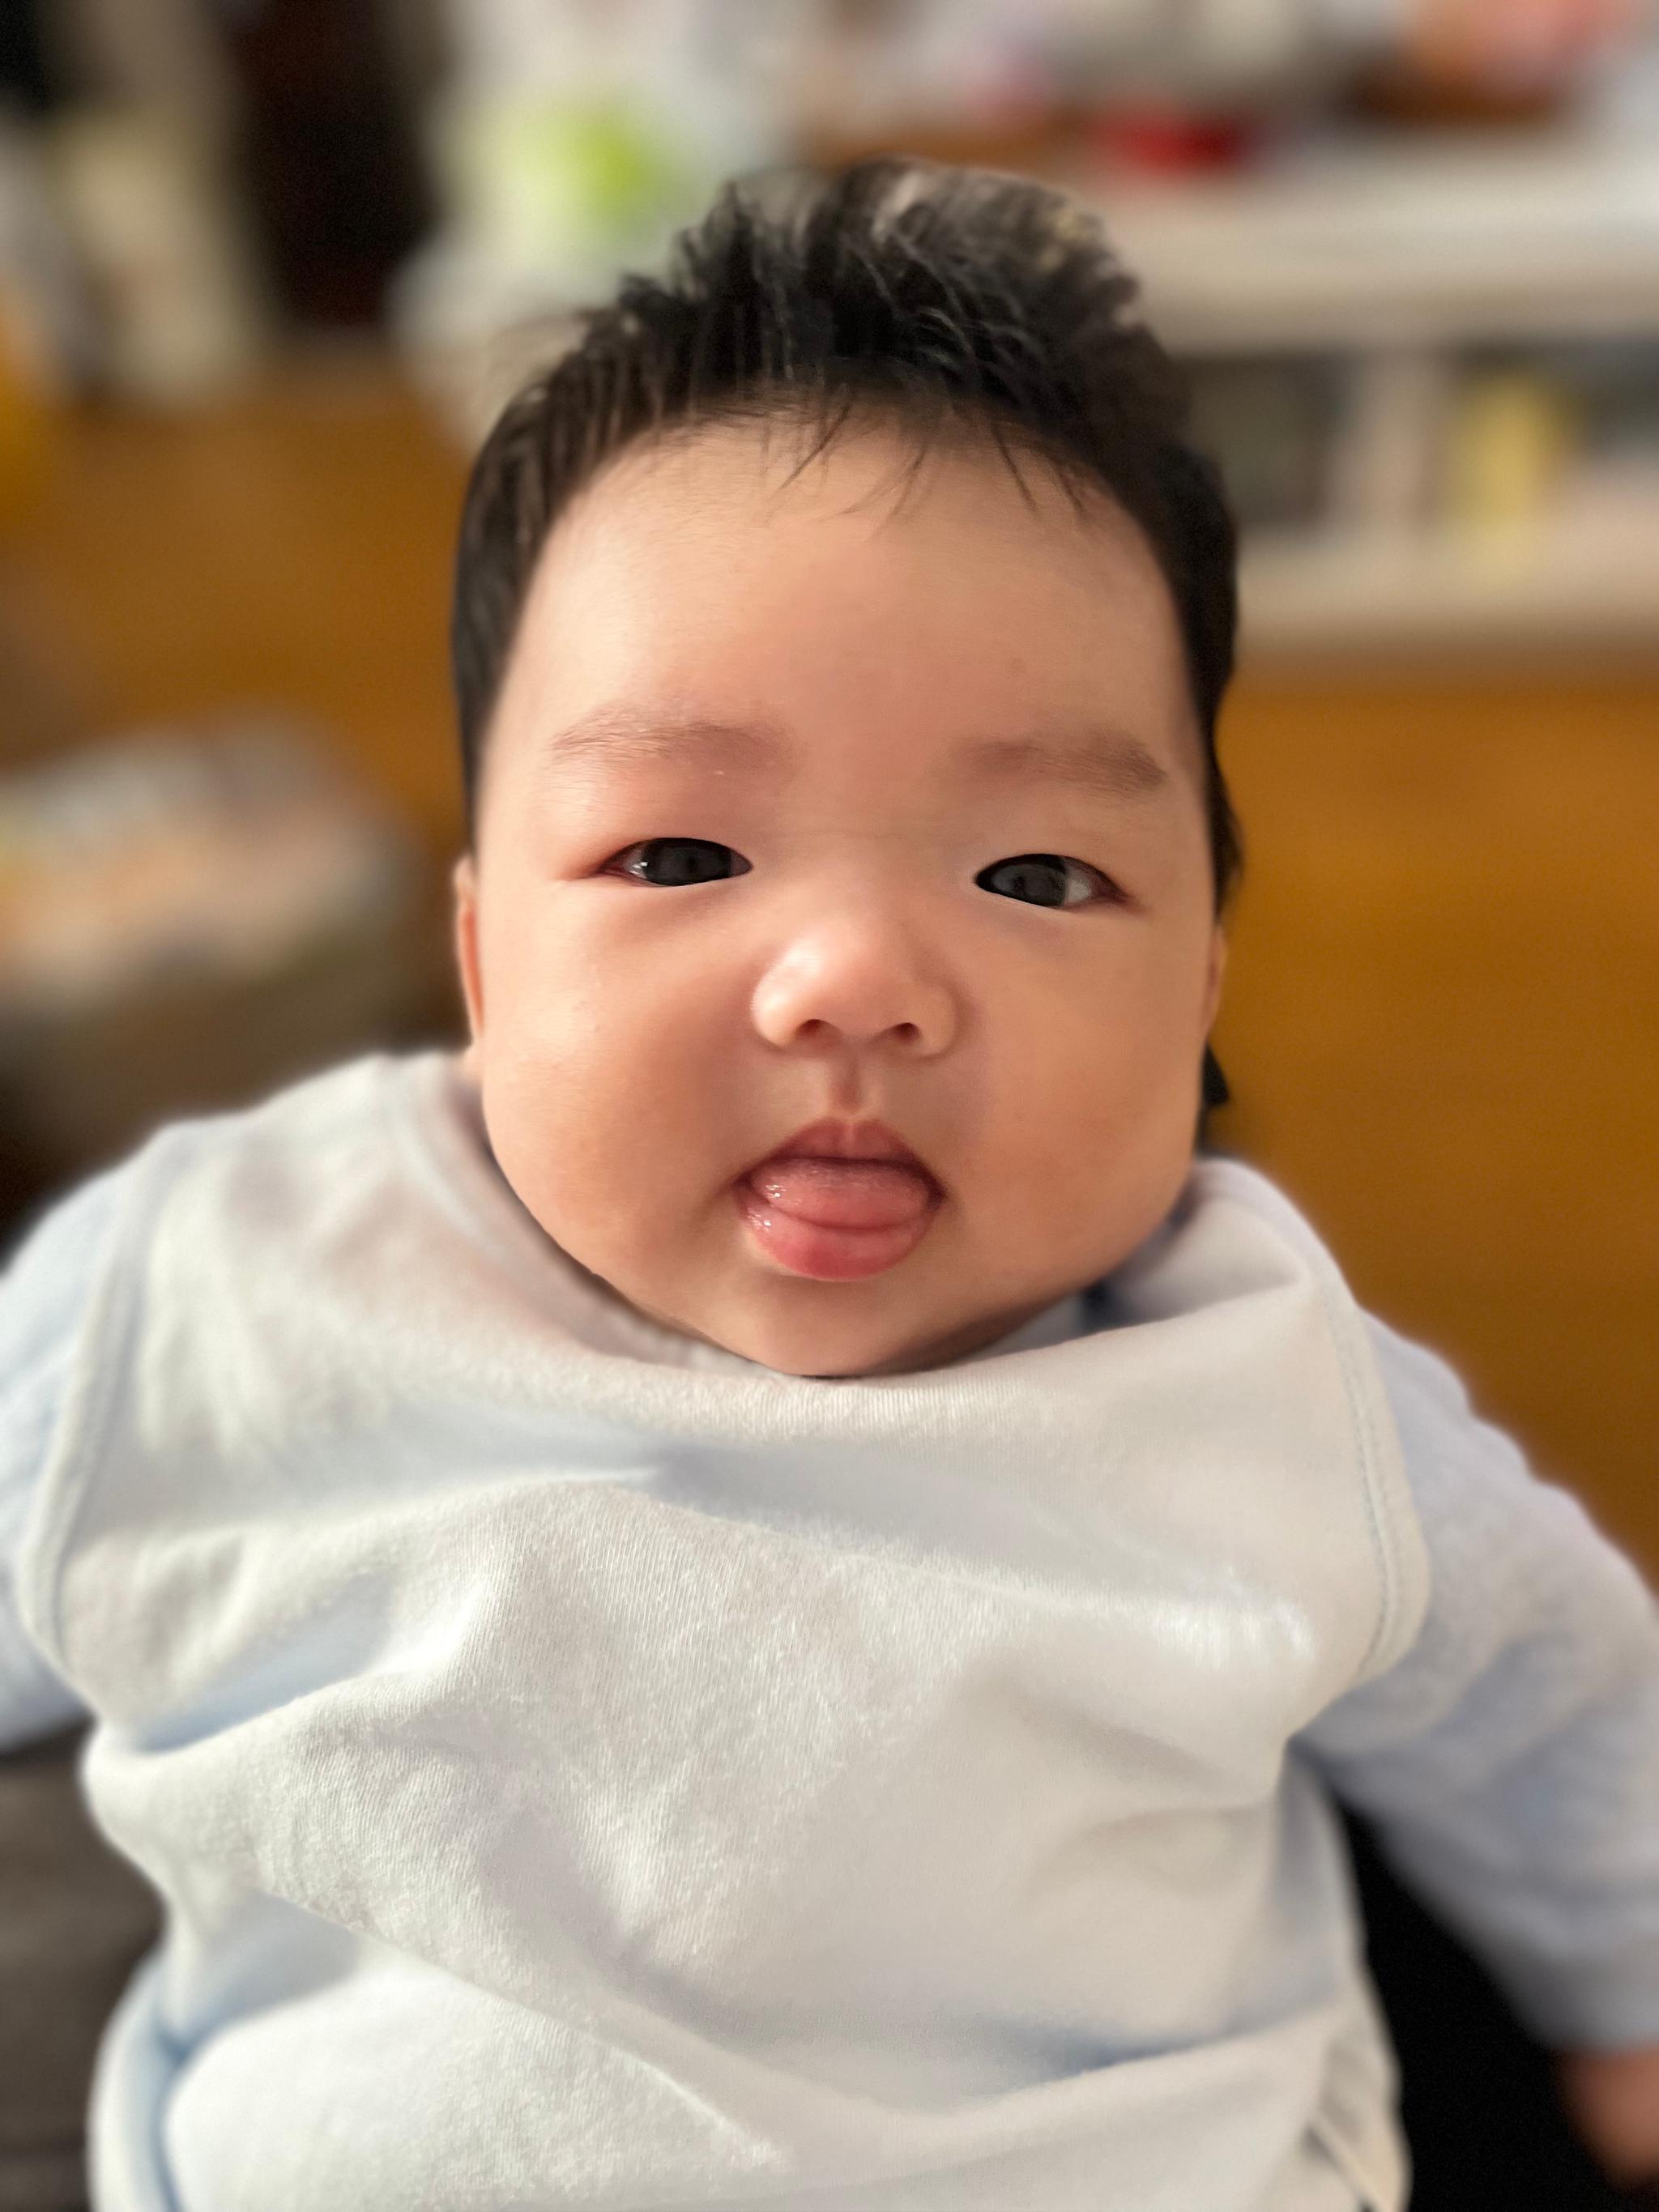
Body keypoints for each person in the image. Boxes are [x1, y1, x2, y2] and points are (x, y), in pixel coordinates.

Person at [1, 157, 1655, 2212]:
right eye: (681, 858)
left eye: (1041, 875)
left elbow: (1551, 1704)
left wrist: (1621, 1996)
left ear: (1200, 989)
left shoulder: (1265, 1382)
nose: (856, 979)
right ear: (482, 956)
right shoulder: (224, 1273)